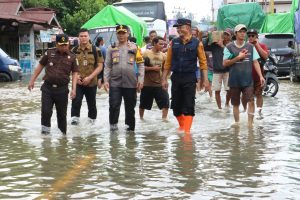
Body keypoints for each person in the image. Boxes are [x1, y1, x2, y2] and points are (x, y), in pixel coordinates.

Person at [162, 18, 209, 134]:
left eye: (180, 27)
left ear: (187, 28)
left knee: (188, 105)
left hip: (190, 77)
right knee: (176, 107)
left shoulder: (197, 43)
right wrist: (164, 79)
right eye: (177, 28)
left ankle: (187, 133)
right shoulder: (173, 43)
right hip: (176, 77)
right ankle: (182, 126)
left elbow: (203, 63)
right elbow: (168, 63)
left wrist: (205, 80)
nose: (178, 30)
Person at [28, 34, 78, 134]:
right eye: (61, 45)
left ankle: (63, 137)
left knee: (62, 115)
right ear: (56, 44)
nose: (64, 47)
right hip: (47, 89)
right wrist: (32, 80)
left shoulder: (72, 56)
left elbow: (75, 73)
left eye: (66, 44)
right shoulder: (49, 53)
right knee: (46, 112)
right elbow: (40, 66)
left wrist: (74, 89)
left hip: (62, 90)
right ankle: (45, 135)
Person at [104, 24, 144, 132]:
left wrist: (140, 80)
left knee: (130, 108)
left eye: (123, 33)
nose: (121, 35)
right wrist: (106, 80)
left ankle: (130, 131)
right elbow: (107, 65)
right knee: (113, 106)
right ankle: (113, 129)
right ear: (116, 34)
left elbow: (140, 64)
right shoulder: (111, 48)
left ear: (128, 34)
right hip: (115, 83)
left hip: (131, 83)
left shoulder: (135, 47)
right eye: (119, 33)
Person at [223, 24, 265, 127]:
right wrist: (238, 57)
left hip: (247, 80)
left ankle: (250, 125)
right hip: (234, 80)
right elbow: (224, 63)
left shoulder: (250, 47)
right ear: (236, 33)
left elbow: (255, 62)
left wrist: (260, 76)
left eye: (244, 32)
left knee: (251, 101)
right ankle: (237, 124)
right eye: (240, 31)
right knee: (236, 104)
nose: (243, 33)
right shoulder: (229, 47)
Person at [70, 29, 104, 125]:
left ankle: (92, 125)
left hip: (91, 82)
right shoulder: (73, 50)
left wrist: (90, 77)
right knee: (76, 102)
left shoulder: (96, 50)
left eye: (85, 36)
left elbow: (100, 66)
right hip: (78, 83)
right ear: (78, 37)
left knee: (92, 104)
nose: (83, 38)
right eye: (81, 36)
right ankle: (74, 125)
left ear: (89, 37)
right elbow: (69, 67)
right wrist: (76, 78)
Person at [139, 36, 169, 120]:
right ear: (154, 43)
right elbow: (140, 67)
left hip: (160, 84)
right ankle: (141, 120)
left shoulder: (163, 56)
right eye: (160, 44)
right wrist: (152, 68)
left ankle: (164, 121)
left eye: (163, 44)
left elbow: (165, 70)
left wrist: (165, 81)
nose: (162, 46)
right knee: (143, 105)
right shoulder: (146, 53)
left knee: (166, 104)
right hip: (147, 84)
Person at [242, 29, 269, 114]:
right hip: (246, 76)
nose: (250, 37)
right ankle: (245, 110)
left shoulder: (262, 45)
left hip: (258, 76)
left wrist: (257, 45)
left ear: (256, 37)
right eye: (249, 36)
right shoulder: (244, 46)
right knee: (245, 95)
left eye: (252, 36)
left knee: (259, 94)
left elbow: (265, 56)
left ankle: (259, 112)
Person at [204, 28, 232, 109]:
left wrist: (222, 46)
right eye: (225, 34)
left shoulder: (231, 45)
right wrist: (209, 36)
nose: (226, 36)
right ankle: (219, 108)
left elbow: (232, 55)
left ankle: (227, 103)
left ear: (231, 36)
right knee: (217, 90)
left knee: (229, 90)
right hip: (216, 71)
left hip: (227, 71)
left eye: (228, 35)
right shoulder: (214, 45)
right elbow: (205, 47)